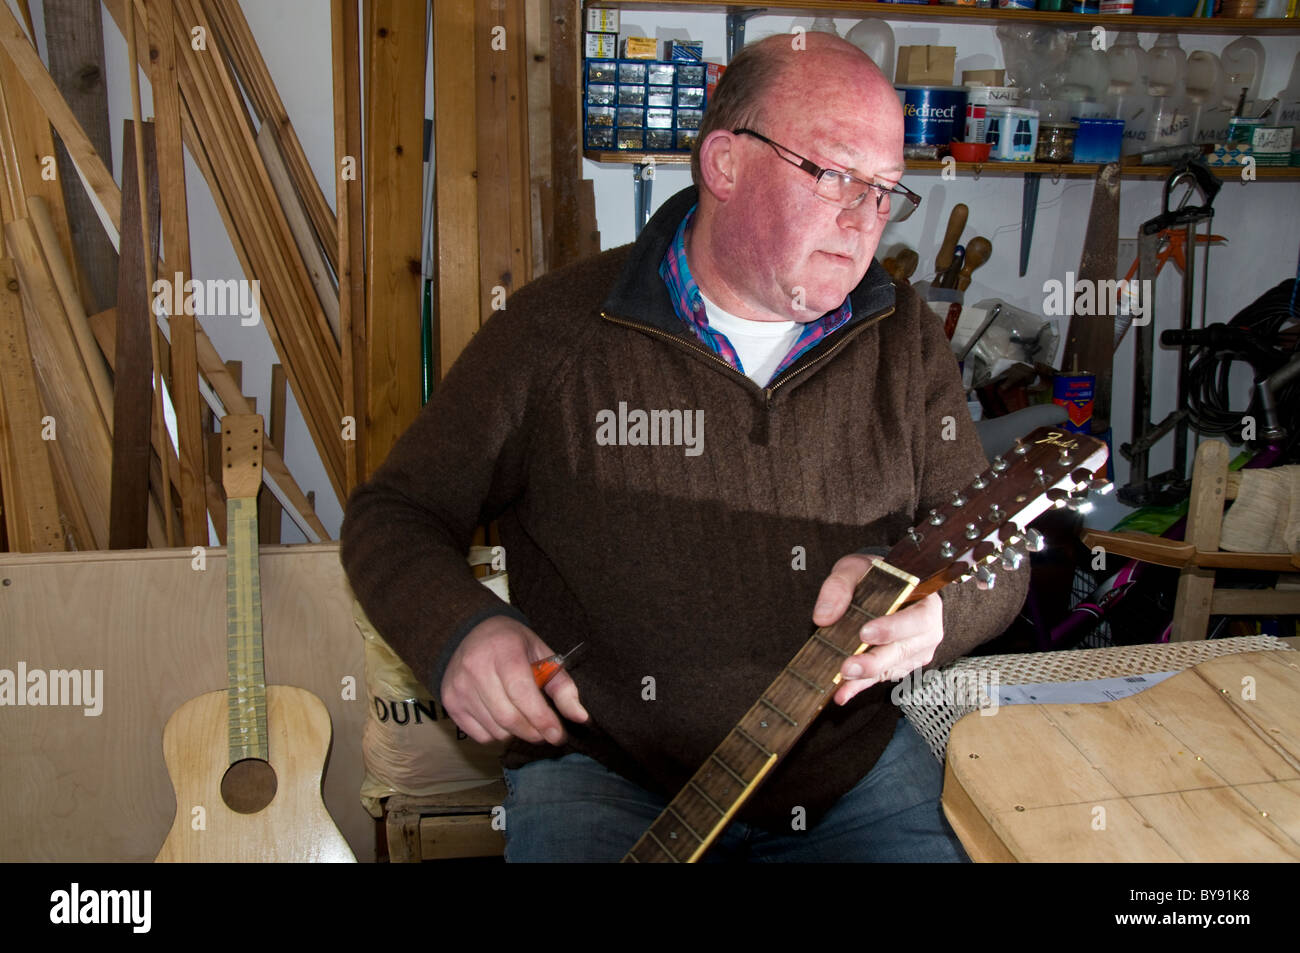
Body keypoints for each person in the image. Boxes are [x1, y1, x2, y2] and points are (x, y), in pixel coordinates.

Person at [341, 31, 1028, 862]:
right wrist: (459, 630)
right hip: (612, 775)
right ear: (726, 164)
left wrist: (934, 612)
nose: (865, 220)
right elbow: (395, 513)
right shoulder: (553, 332)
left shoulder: (904, 337)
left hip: (843, 778)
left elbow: (999, 546)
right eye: (838, 176)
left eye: (886, 193)